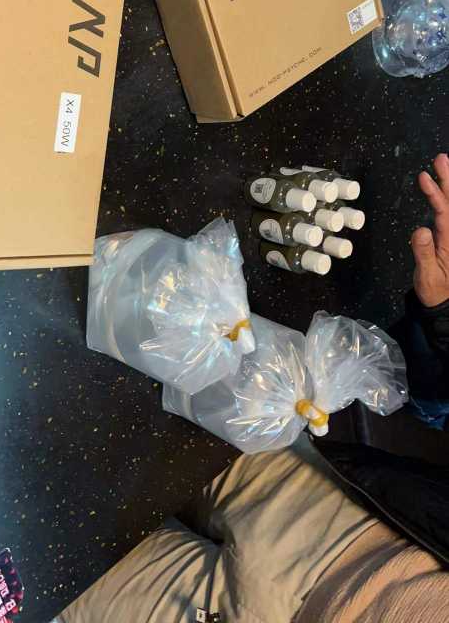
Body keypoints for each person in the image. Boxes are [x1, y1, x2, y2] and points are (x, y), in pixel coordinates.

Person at [61, 154, 449, 623]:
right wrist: (443, 318)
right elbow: (436, 405)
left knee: (58, 558)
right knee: (155, 406)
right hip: (346, 516)